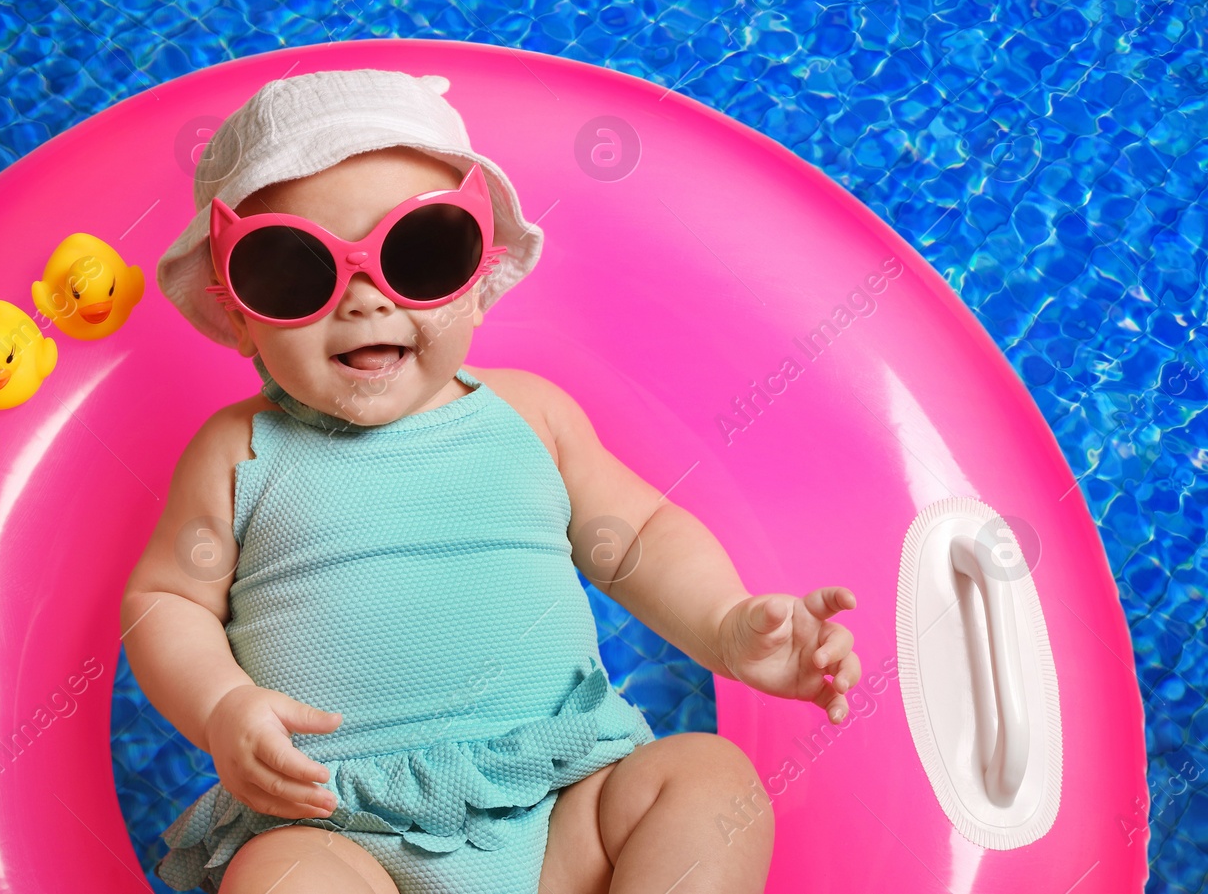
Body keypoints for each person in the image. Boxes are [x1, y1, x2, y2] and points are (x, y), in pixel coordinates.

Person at [123, 69, 860, 894]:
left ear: (478, 276)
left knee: (710, 780)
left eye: (420, 254)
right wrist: (222, 705)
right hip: (341, 829)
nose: (367, 299)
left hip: (558, 805)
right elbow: (168, 601)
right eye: (295, 271)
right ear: (235, 310)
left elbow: (639, 535)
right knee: (275, 876)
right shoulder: (238, 450)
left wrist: (727, 624)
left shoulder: (531, 416)